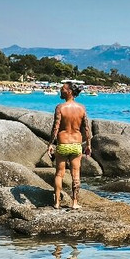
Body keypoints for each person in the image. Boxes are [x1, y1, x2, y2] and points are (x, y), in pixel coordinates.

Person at [47, 82, 91, 210]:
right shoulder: (81, 108)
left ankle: (57, 203)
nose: (61, 90)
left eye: (63, 89)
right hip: (76, 144)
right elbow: (86, 128)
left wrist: (50, 143)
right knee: (76, 174)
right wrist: (88, 144)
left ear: (70, 91)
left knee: (59, 174)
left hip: (63, 144)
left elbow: (55, 128)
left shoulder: (60, 107)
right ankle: (75, 202)